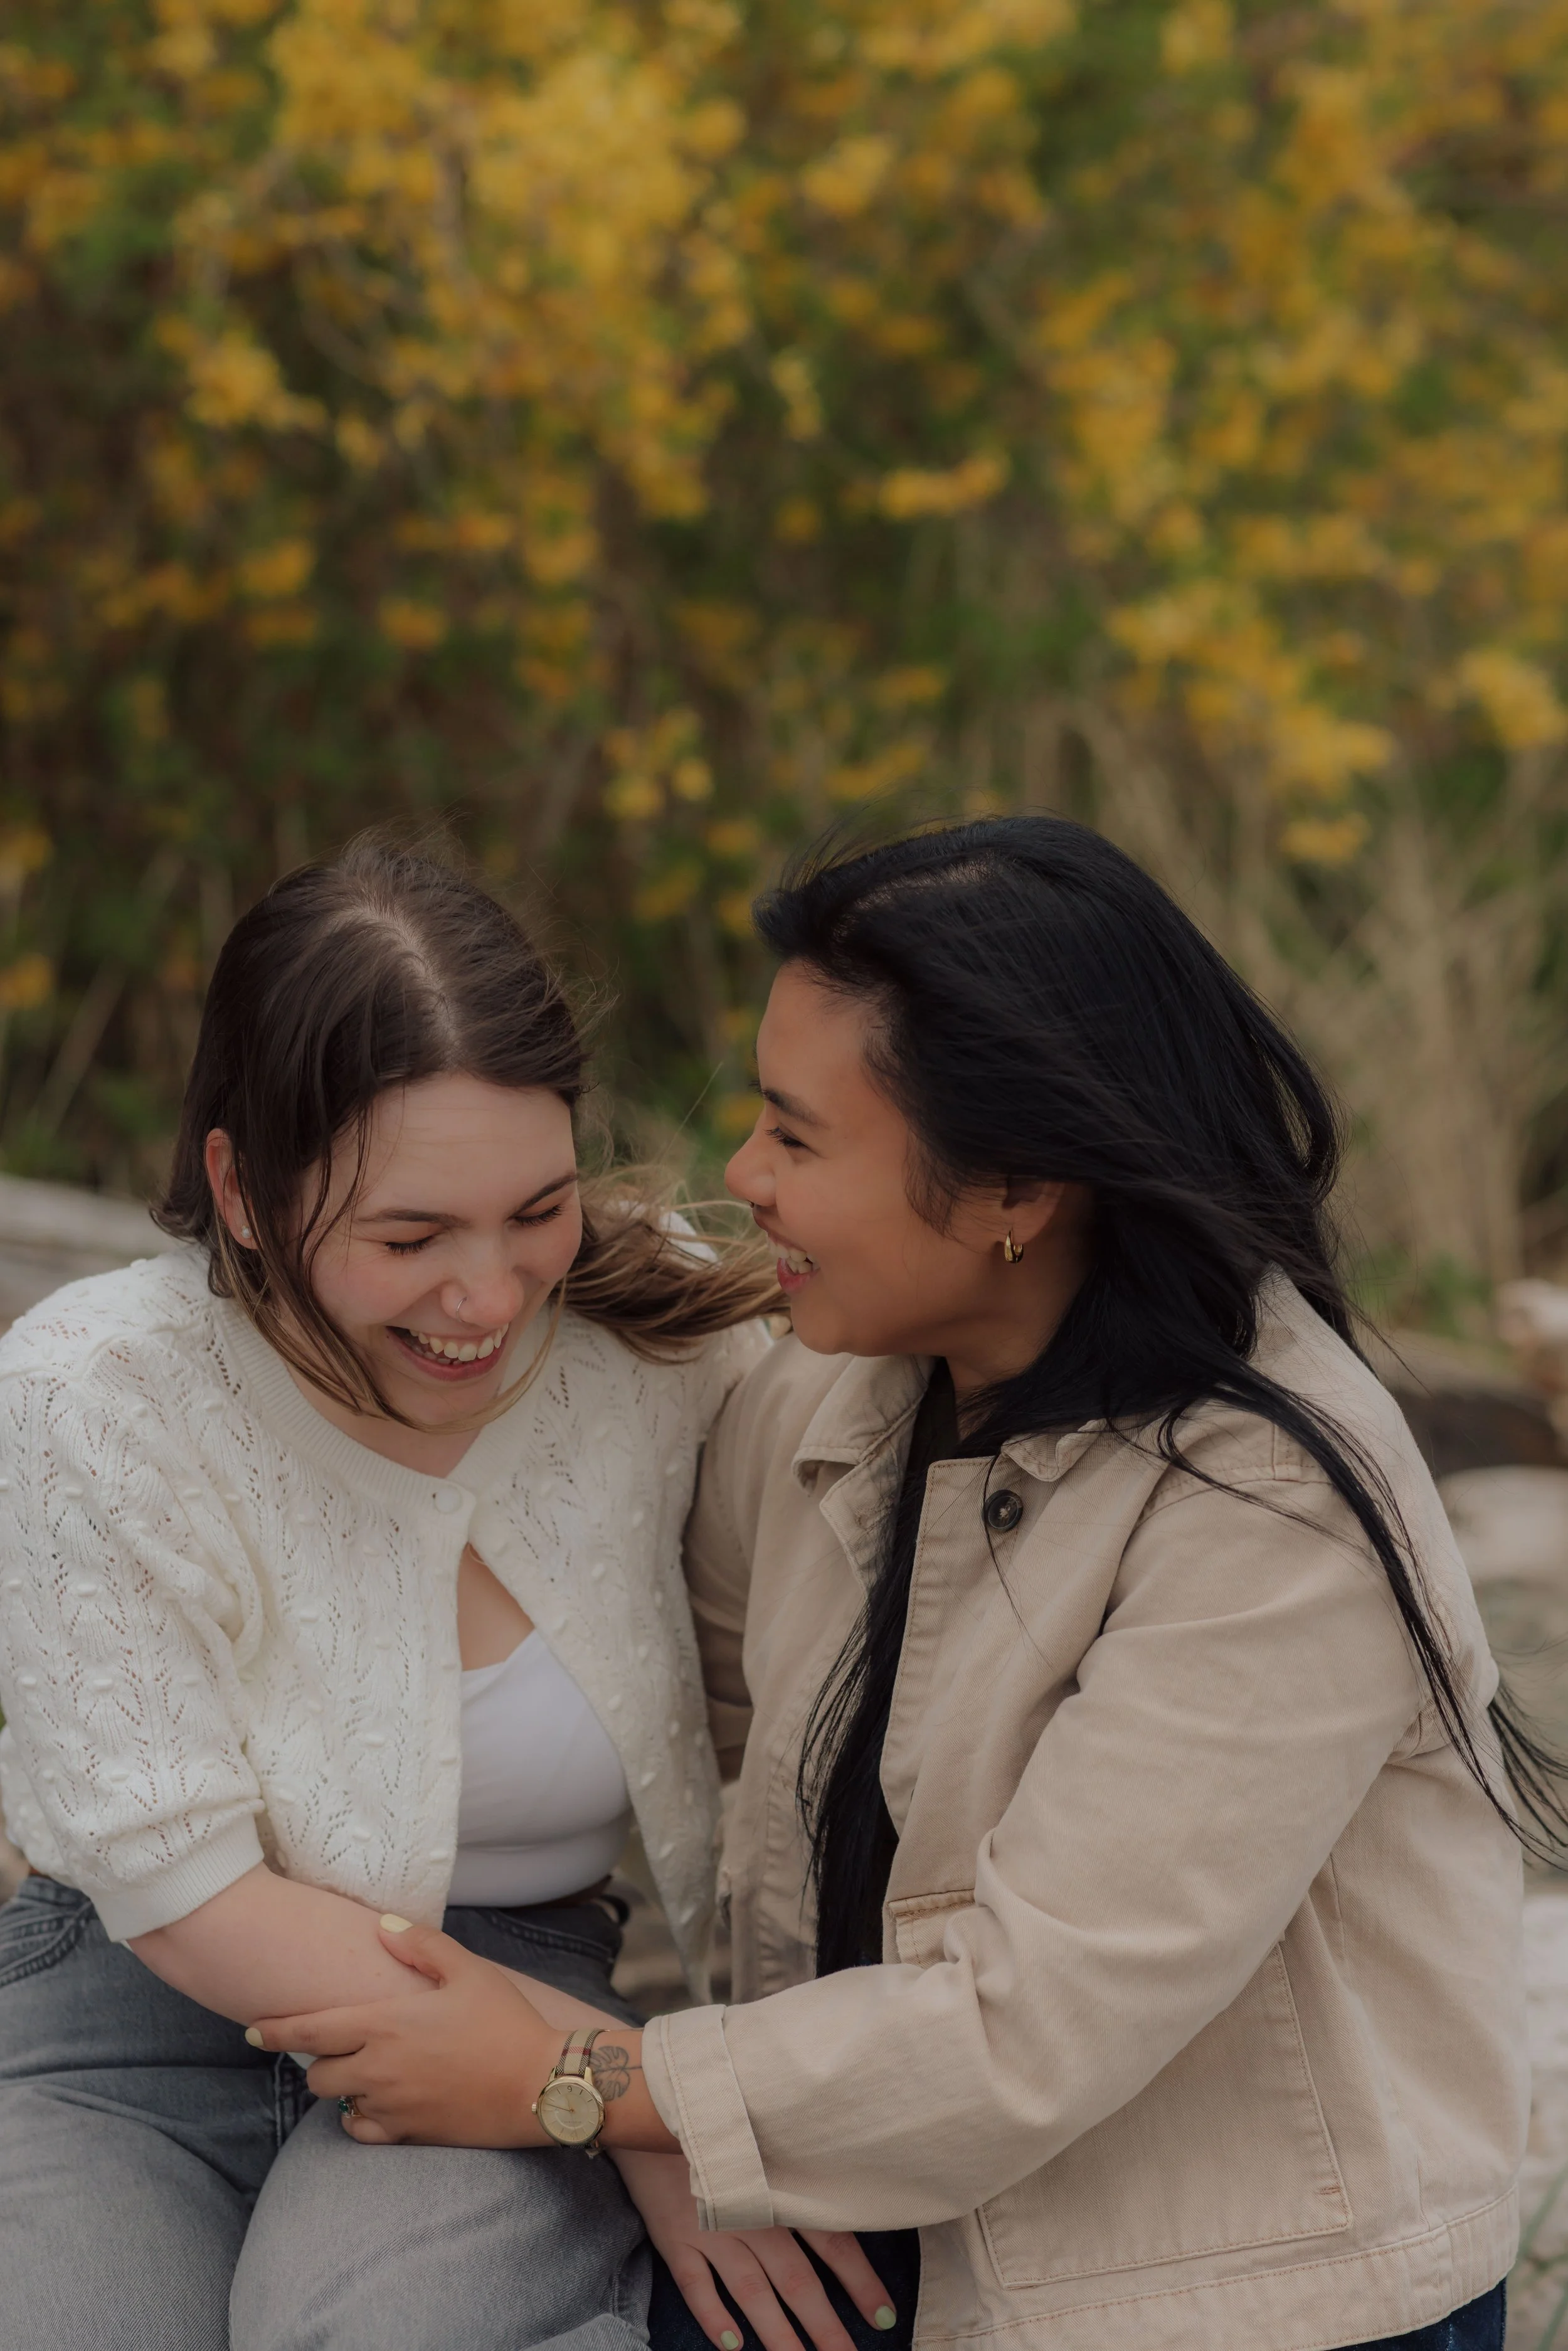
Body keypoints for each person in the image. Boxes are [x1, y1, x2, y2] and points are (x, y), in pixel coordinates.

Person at [253, 817, 1534, 2351]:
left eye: (796, 1137)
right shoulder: (857, 1384)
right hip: (881, 2211)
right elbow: (663, 1667)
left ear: (1013, 1186)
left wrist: (579, 2079)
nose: (745, 1175)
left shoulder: (1274, 1508)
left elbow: (1020, 2028)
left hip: (1221, 2301)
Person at [0, 841, 893, 2351]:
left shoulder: (656, 1344)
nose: (488, 1295)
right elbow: (187, 1893)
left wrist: (591, 2085)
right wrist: (633, 2098)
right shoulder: (91, 1397)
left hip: (515, 1967)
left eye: (534, 1209)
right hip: (134, 2021)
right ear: (239, 1186)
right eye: (409, 1238)